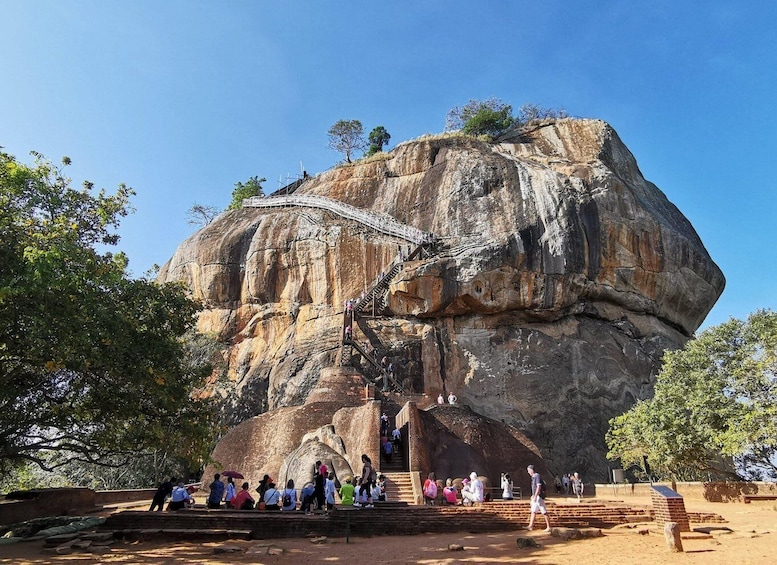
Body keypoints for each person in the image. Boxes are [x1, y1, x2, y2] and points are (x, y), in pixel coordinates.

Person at [527, 465, 551, 532]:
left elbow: (538, 486)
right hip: (536, 497)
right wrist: (533, 495)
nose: (528, 472)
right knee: (533, 511)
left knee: (544, 511)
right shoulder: (533, 477)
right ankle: (530, 526)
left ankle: (549, 527)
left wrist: (535, 495)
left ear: (532, 470)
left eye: (529, 470)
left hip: (538, 497)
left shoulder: (537, 476)